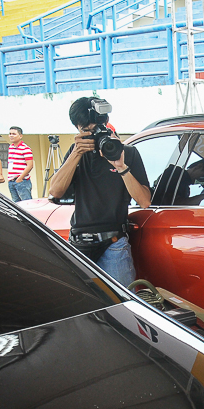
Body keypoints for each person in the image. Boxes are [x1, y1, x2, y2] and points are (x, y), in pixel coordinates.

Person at [49, 97, 151, 285]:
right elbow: (55, 192)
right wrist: (77, 154)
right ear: (78, 130)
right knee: (81, 305)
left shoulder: (127, 153)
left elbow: (145, 201)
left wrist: (121, 166)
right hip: (80, 243)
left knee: (123, 307)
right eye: (86, 131)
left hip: (114, 243)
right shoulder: (76, 152)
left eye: (97, 128)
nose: (93, 135)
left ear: (106, 124)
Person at [7, 126, 35, 202]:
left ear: (20, 136)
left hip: (22, 181)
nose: (11, 136)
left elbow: (30, 165)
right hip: (11, 181)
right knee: (16, 204)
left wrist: (20, 178)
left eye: (14, 134)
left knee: (27, 203)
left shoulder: (25, 148)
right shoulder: (11, 147)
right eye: (10, 134)